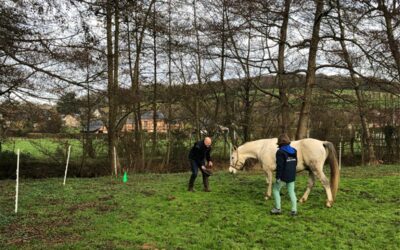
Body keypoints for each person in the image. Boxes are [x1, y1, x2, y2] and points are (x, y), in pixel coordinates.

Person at [270, 134, 298, 216]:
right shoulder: (294, 150)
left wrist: (278, 177)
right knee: (291, 192)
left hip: (283, 176)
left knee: (275, 190)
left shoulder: (280, 152)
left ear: (279, 142)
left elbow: (280, 166)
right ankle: (294, 210)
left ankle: (278, 209)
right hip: (292, 175)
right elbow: (296, 163)